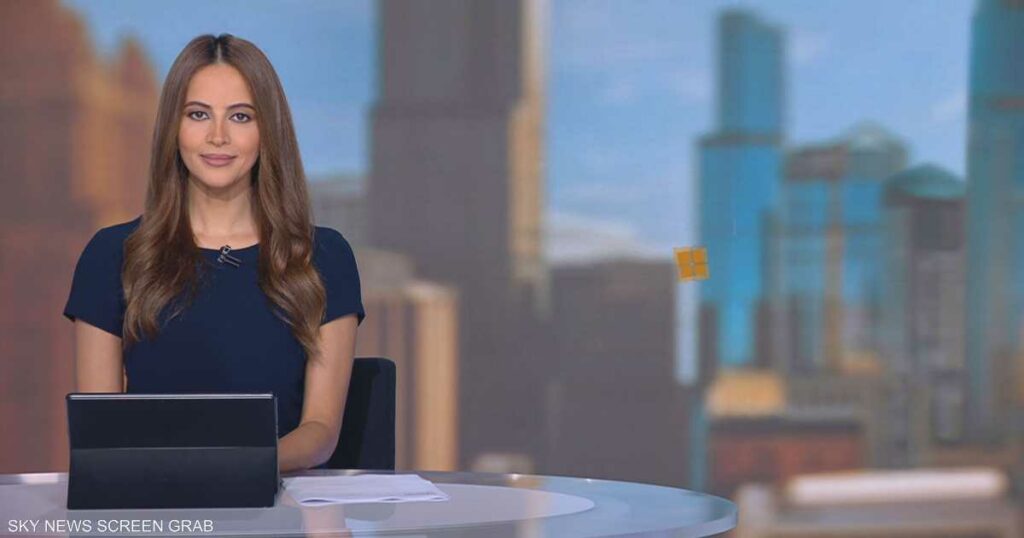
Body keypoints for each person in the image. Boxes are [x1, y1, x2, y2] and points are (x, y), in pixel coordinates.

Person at [63, 34, 364, 473]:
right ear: (174, 128)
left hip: (278, 497)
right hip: (153, 498)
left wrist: (238, 466)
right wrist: (187, 473)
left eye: (240, 116)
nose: (217, 136)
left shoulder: (324, 258)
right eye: (198, 114)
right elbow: (100, 431)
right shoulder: (112, 255)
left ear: (268, 131)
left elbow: (320, 430)